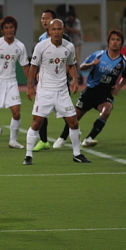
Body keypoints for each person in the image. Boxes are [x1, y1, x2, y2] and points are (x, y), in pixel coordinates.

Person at [23, 19, 90, 165]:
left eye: (59, 29)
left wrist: (74, 80)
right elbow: (33, 66)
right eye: (54, 30)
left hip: (62, 91)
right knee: (37, 122)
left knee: (73, 122)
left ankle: (77, 154)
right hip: (44, 91)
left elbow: (71, 64)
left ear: (63, 30)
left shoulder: (69, 46)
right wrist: (29, 85)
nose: (57, 32)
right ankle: (28, 156)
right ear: (49, 31)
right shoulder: (41, 47)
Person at [53, 30, 126, 148]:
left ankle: (89, 138)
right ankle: (62, 137)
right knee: (75, 117)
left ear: (121, 43)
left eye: (118, 40)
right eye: (113, 39)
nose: (115, 42)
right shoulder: (98, 55)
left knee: (107, 110)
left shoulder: (124, 61)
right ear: (108, 42)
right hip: (91, 91)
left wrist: (119, 87)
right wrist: (91, 65)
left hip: (105, 93)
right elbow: (82, 66)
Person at [0, 16, 29, 149]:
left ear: (15, 29)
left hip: (11, 82)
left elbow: (25, 66)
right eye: (6, 28)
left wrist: (30, 84)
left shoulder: (20, 46)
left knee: (16, 112)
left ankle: (13, 141)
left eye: (11, 27)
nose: (9, 30)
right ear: (2, 30)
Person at [32, 9, 73, 152]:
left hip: (60, 82)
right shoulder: (42, 38)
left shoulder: (65, 38)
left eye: (47, 18)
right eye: (42, 18)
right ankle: (43, 141)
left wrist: (67, 75)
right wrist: (37, 74)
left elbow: (68, 59)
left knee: (67, 113)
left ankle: (65, 136)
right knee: (41, 112)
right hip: (45, 82)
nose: (44, 21)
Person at [65, 11, 84, 85]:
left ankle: (77, 78)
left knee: (76, 61)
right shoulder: (67, 22)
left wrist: (68, 28)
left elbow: (77, 31)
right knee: (68, 62)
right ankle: (70, 77)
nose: (69, 18)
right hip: (69, 44)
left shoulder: (76, 22)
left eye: (70, 16)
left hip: (77, 44)